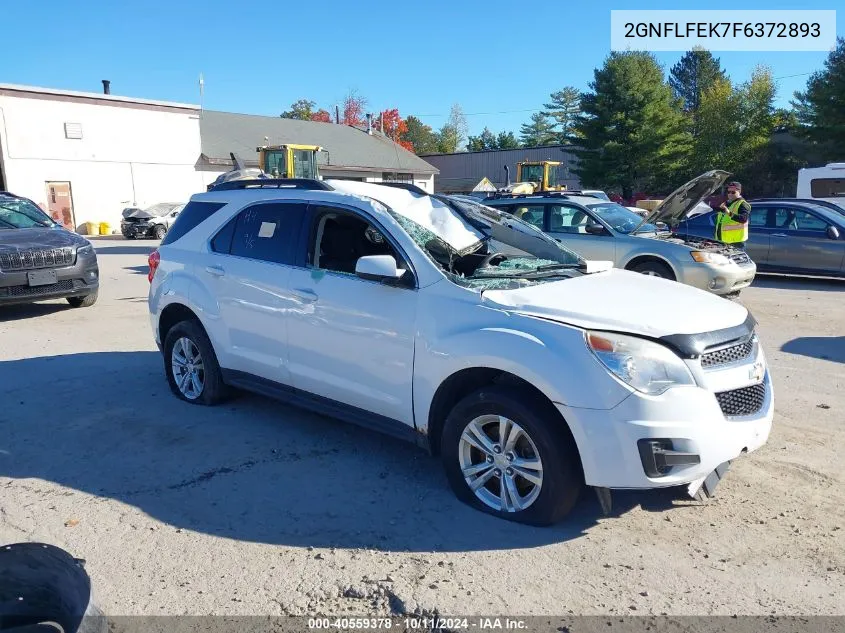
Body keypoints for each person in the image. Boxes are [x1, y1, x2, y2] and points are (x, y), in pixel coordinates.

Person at [715, 181, 751, 249]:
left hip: (736, 243)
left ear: (739, 192)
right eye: (728, 192)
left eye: (733, 192)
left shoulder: (743, 204)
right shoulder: (727, 203)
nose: (730, 194)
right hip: (723, 241)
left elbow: (743, 219)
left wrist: (729, 213)